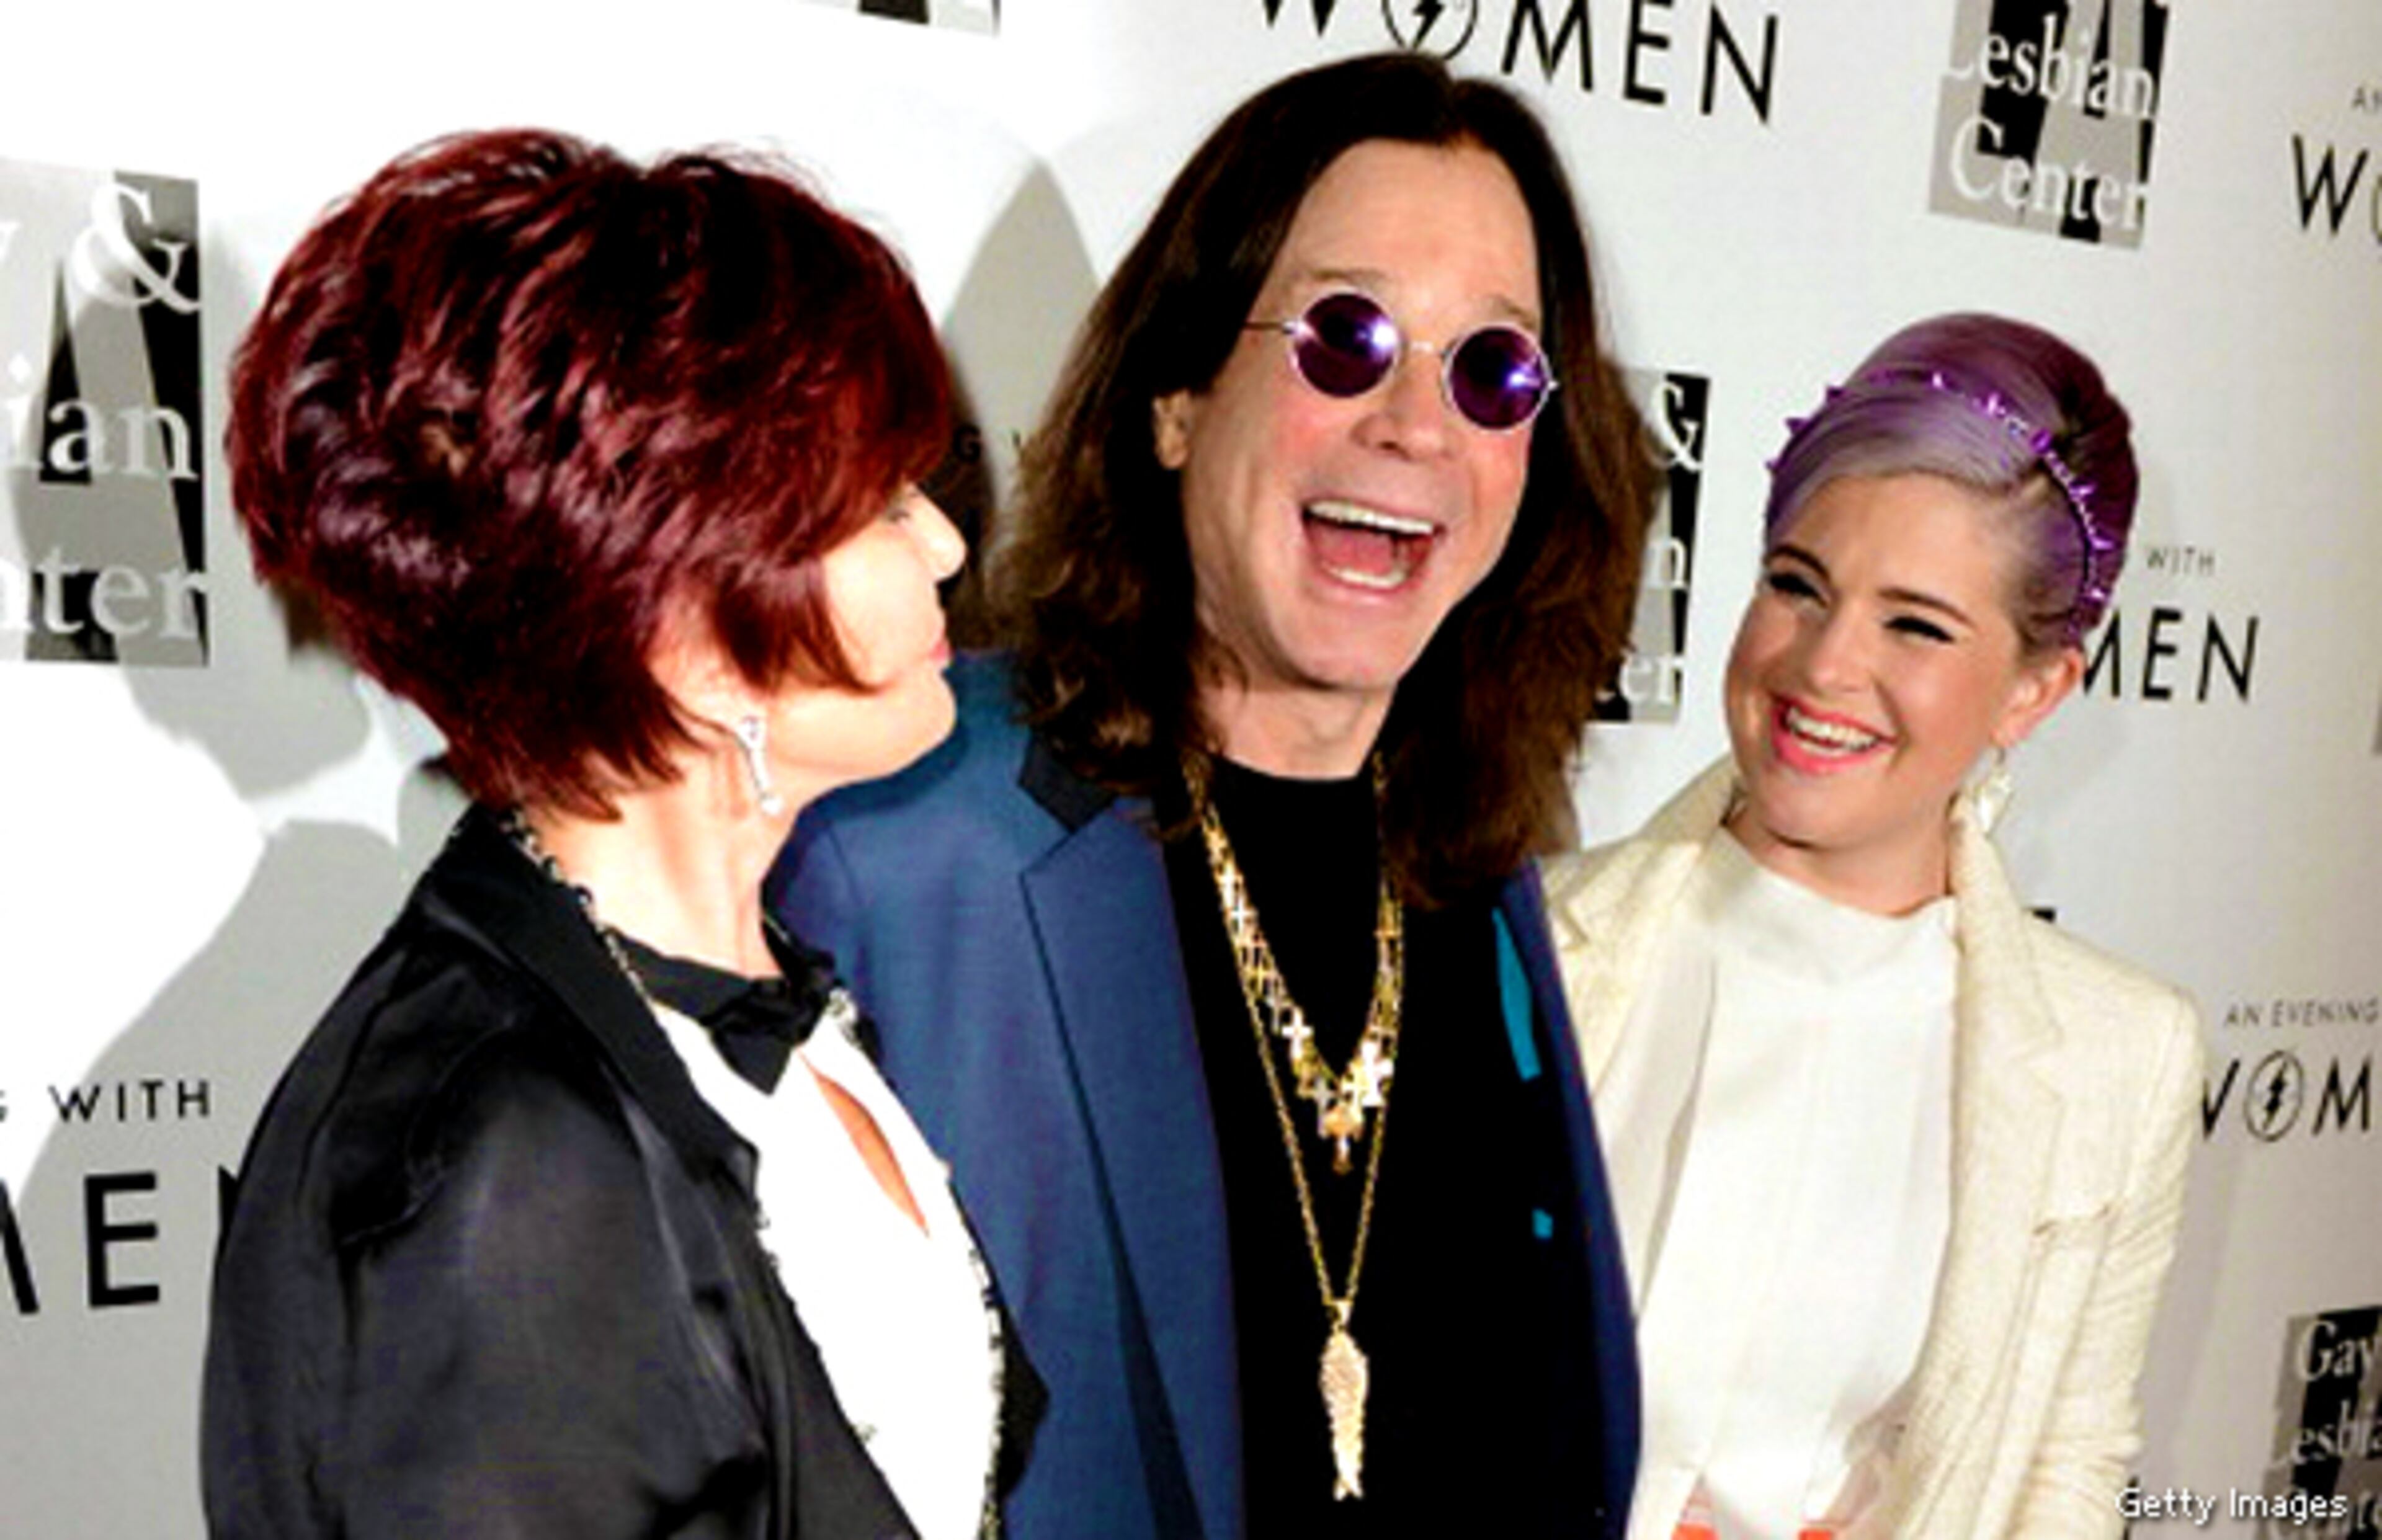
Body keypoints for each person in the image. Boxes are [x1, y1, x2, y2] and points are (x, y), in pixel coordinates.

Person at [769, 52, 1649, 1540]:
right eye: (1346, 338)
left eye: (1494, 370)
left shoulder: (1474, 868)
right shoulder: (907, 836)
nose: (1417, 427)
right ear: (1177, 397)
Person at [202, 129, 1040, 1539]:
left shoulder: (732, 1001)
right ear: (702, 649)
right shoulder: (497, 1170)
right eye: (883, 507)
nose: (949, 545)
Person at [1545, 313, 2204, 1539]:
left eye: (1916, 625)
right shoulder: (1525, 949)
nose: (1825, 667)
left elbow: (2069, 1471)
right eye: (1798, 586)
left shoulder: (2123, 1058)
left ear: (2035, 688)